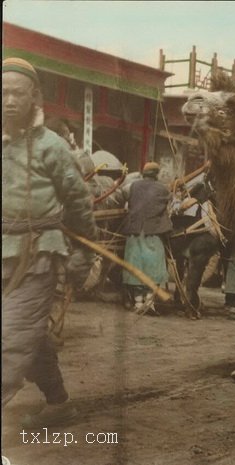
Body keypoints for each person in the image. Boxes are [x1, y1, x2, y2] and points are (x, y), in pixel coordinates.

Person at [2, 58, 97, 427]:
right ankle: (58, 402)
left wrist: (84, 254)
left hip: (37, 255)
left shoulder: (51, 146)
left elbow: (78, 203)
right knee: (29, 335)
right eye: (3, 93)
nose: (9, 101)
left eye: (18, 93)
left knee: (10, 339)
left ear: (34, 98)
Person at [121, 161, 172, 315]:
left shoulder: (132, 186)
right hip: (153, 234)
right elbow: (169, 205)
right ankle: (150, 302)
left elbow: (123, 196)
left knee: (135, 268)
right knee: (154, 269)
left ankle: (137, 302)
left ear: (143, 173)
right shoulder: (163, 189)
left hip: (134, 233)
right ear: (156, 175)